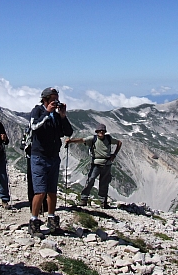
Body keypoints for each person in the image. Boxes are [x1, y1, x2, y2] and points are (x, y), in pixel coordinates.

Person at [29, 87, 73, 236]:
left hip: (54, 157)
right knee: (40, 191)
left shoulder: (56, 115)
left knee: (52, 191)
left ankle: (52, 219)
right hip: (39, 157)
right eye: (53, 98)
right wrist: (47, 112)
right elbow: (34, 126)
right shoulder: (38, 111)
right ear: (45, 99)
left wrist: (63, 116)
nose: (55, 101)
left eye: (57, 98)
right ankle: (34, 221)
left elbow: (68, 132)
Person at [66, 123, 122, 209]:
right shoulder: (93, 138)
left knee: (104, 183)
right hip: (96, 164)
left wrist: (114, 154)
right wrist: (71, 141)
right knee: (90, 180)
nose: (101, 132)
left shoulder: (108, 138)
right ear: (97, 131)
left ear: (104, 132)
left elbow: (119, 142)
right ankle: (84, 199)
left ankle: (103, 202)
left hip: (106, 164)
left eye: (102, 131)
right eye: (100, 130)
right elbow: (81, 140)